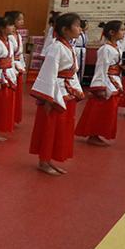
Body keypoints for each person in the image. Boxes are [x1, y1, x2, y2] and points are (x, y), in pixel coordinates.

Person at [29, 12, 84, 176]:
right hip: (56, 93)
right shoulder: (56, 47)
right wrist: (47, 98)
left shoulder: (69, 46)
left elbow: (72, 71)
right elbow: (49, 72)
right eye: (77, 25)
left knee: (61, 128)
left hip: (67, 90)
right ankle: (43, 161)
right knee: (50, 127)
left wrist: (77, 90)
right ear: (65, 29)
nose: (80, 29)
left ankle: (50, 159)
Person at [75, 21, 125, 146]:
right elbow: (101, 68)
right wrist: (99, 87)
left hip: (113, 79)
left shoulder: (115, 47)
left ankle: (98, 133)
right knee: (100, 110)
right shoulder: (105, 49)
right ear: (112, 33)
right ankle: (93, 134)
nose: (124, 32)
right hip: (106, 81)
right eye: (122, 30)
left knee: (108, 111)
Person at [5, 11, 27, 125]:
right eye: (19, 19)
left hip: (18, 67)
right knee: (9, 96)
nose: (22, 22)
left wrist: (21, 66)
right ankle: (7, 118)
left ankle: (13, 117)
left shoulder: (18, 35)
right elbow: (9, 55)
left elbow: (20, 54)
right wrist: (13, 67)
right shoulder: (7, 37)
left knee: (16, 95)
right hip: (10, 69)